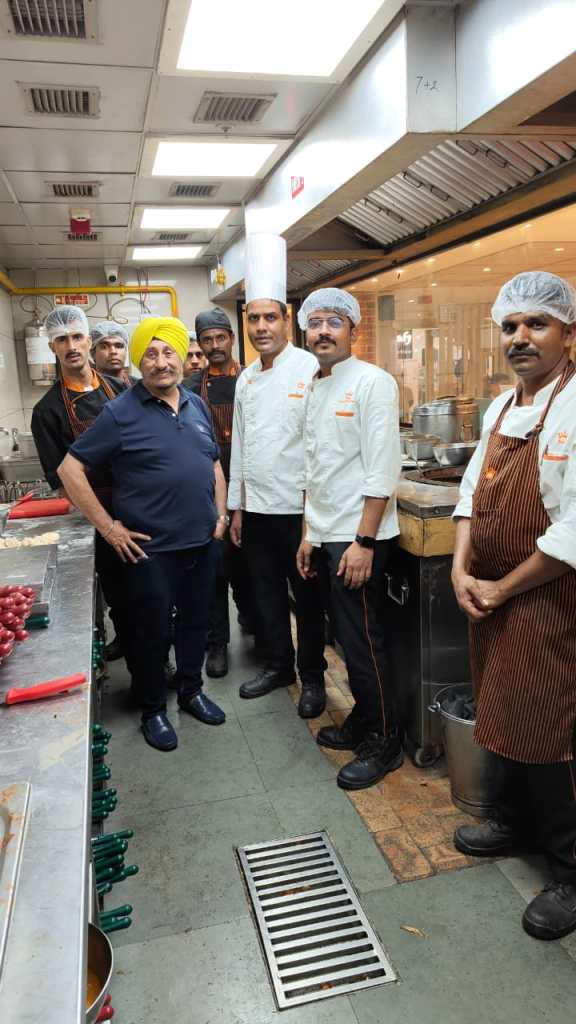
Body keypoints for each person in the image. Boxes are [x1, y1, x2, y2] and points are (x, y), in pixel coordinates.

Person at [451, 271, 576, 941]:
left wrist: (501, 587)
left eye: (537, 324)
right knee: (506, 708)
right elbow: (471, 494)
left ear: (569, 333)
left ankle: (569, 870)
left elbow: (573, 531)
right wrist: (459, 567)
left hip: (553, 598)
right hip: (495, 593)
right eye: (510, 326)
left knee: (555, 731)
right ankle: (517, 823)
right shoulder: (502, 407)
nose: (520, 337)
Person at [58, 317, 227, 752]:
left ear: (181, 357)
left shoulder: (195, 404)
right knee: (150, 634)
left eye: (168, 352)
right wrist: (110, 528)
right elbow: (69, 470)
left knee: (196, 625)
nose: (161, 362)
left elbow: (213, 463)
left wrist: (221, 516)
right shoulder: (120, 412)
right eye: (150, 354)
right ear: (139, 362)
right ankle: (153, 709)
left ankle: (191, 691)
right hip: (152, 551)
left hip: (202, 542)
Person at [295, 288, 403, 790]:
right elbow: (316, 469)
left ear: (353, 331)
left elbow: (382, 468)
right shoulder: (315, 385)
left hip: (358, 536)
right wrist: (309, 534)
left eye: (334, 322)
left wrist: (363, 541)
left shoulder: (372, 382)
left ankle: (385, 740)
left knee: (362, 642)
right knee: (346, 637)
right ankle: (365, 716)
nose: (323, 331)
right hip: (328, 531)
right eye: (315, 322)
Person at [228, 234, 326, 717]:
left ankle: (313, 678)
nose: (262, 327)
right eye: (254, 318)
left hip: (298, 511)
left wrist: (312, 521)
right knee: (266, 595)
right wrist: (237, 506)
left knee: (306, 600)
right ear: (245, 322)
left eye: (270, 317)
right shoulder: (246, 378)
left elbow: (318, 450)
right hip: (257, 510)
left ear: (287, 319)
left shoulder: (310, 368)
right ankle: (279, 666)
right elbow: (240, 447)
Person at [31, 304, 127, 658]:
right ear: (52, 347)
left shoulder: (120, 390)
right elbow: (62, 483)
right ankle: (129, 650)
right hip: (93, 518)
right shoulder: (47, 411)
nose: (71, 346)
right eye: (61, 340)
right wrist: (104, 525)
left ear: (89, 340)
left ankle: (153, 655)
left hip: (137, 505)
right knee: (116, 593)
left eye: (76, 337)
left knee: (148, 591)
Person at [184, 306, 257, 678]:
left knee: (250, 568)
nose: (214, 346)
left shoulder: (253, 380)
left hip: (252, 490)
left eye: (220, 338)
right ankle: (217, 644)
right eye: (207, 340)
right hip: (208, 492)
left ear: (231, 338)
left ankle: (255, 624)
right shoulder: (188, 389)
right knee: (214, 572)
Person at [91, 321, 137, 386]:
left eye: (119, 346)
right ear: (93, 353)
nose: (113, 351)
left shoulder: (140, 386)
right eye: (104, 347)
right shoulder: (88, 388)